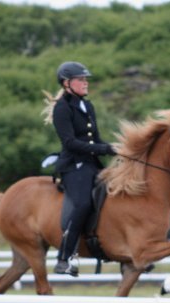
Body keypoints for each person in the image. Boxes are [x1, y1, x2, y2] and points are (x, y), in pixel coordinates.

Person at [44, 61, 116, 276]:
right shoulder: (62, 108)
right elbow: (70, 143)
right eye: (81, 79)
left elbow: (94, 137)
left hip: (92, 164)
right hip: (73, 166)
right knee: (83, 203)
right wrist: (105, 148)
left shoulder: (88, 106)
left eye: (86, 79)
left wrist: (115, 149)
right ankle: (64, 258)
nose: (86, 83)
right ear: (67, 83)